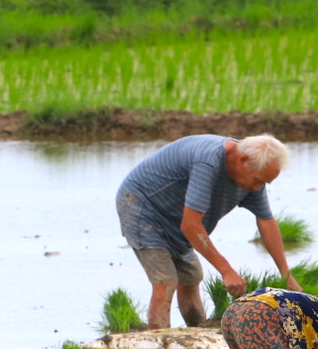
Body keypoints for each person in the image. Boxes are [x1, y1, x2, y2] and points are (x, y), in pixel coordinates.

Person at [115, 134, 298, 329]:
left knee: (191, 277)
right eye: (257, 181)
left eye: (263, 183)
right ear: (243, 161)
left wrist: (287, 275)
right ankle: (160, 344)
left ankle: (196, 335)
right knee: (166, 281)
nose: (257, 187)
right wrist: (226, 270)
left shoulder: (253, 176)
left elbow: (266, 222)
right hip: (142, 206)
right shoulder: (208, 162)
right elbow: (190, 225)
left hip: (176, 214)